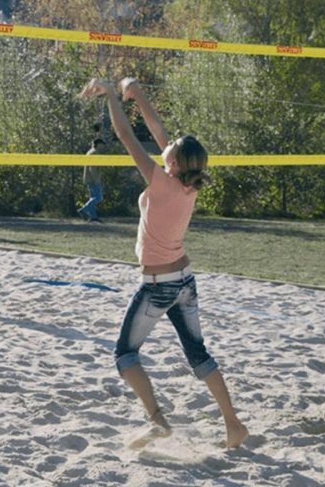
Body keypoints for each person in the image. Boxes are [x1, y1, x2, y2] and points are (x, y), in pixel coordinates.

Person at [81, 77, 249, 450]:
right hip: (185, 281)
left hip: (159, 286)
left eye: (168, 150)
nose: (164, 146)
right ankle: (233, 424)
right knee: (199, 355)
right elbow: (159, 132)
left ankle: (158, 422)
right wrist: (137, 93)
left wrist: (111, 94)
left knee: (125, 356)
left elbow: (127, 137)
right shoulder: (188, 182)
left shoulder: (161, 181)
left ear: (171, 162)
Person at [78, 138, 105, 222]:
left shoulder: (90, 152)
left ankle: (93, 217)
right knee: (98, 198)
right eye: (102, 144)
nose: (103, 146)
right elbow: (92, 168)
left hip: (89, 178)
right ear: (98, 144)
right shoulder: (94, 153)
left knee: (92, 198)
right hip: (93, 179)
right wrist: (96, 179)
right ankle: (83, 210)